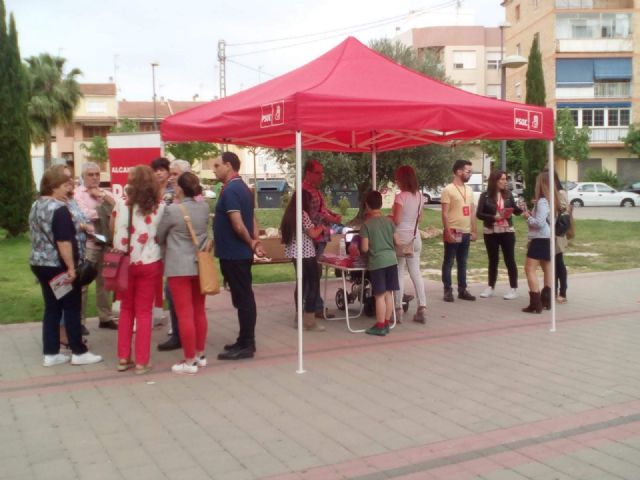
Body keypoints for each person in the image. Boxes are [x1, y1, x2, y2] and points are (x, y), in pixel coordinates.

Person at [29, 165, 103, 367]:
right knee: (71, 306)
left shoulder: (37, 205)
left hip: (39, 263)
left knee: (52, 307)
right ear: (53, 186)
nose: (68, 187)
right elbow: (63, 241)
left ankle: (51, 353)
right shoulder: (59, 209)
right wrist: (71, 268)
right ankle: (79, 351)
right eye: (64, 184)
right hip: (58, 265)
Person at [112, 165, 165, 373]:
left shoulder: (121, 204)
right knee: (144, 312)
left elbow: (113, 228)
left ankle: (123, 358)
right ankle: (142, 361)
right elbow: (160, 233)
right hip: (150, 261)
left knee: (126, 310)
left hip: (125, 261)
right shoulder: (159, 207)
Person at [213, 152, 265, 360]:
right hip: (236, 254)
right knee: (242, 298)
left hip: (235, 255)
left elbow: (237, 223)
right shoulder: (242, 187)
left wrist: (252, 242)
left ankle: (247, 344)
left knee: (243, 299)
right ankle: (243, 340)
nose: (214, 169)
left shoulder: (232, 190)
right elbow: (250, 217)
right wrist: (255, 241)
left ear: (228, 165)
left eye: (217, 166)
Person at [158, 172, 210, 374]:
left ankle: (189, 361)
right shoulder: (204, 206)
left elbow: (159, 235)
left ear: (179, 188)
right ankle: (200, 354)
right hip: (199, 265)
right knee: (199, 311)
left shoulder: (173, 210)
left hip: (178, 266)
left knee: (184, 314)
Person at [74, 161, 118, 332]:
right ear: (83, 176)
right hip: (89, 243)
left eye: (97, 174)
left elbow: (117, 208)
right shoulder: (77, 194)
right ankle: (79, 321)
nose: (94, 178)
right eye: (90, 175)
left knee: (105, 281)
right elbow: (85, 215)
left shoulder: (105, 193)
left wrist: (102, 197)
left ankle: (105, 317)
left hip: (106, 242)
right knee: (83, 282)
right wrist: (105, 212)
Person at [156, 158, 193, 352]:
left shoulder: (186, 203)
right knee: (175, 297)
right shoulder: (171, 198)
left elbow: (161, 232)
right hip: (183, 258)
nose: (170, 178)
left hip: (180, 259)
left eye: (175, 174)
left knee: (177, 297)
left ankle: (181, 337)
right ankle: (182, 333)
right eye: (170, 174)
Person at [280, 190, 325, 332]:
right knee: (313, 284)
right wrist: (322, 227)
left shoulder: (289, 215)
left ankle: (298, 317)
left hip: (295, 253)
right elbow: (312, 233)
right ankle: (309, 320)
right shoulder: (302, 214)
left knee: (301, 283)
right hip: (306, 253)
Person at [302, 159, 341, 319]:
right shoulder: (305, 191)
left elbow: (321, 209)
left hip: (319, 237)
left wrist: (331, 214)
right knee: (310, 275)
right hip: (312, 238)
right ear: (308, 173)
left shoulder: (314, 190)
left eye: (322, 172)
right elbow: (311, 214)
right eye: (318, 173)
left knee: (314, 274)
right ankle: (310, 309)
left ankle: (315, 307)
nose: (321, 176)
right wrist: (331, 220)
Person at [476, 170, 523, 300]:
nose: (504, 181)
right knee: (493, 260)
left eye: (505, 179)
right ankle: (491, 287)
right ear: (494, 181)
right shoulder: (484, 196)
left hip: (507, 231)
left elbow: (514, 209)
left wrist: (520, 209)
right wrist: (493, 217)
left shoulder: (508, 195)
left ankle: (513, 288)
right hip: (491, 231)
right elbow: (479, 214)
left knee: (510, 260)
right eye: (502, 179)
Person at [359, 191, 400, 336]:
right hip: (392, 260)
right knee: (389, 293)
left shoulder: (366, 225)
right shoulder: (389, 222)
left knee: (379, 295)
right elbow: (398, 241)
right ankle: (387, 323)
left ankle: (380, 324)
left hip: (377, 262)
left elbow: (364, 248)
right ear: (381, 204)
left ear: (367, 206)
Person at [391, 165, 427, 323]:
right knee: (416, 273)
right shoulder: (420, 196)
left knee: (399, 271)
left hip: (400, 239)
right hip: (414, 238)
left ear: (402, 179)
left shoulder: (400, 197)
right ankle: (422, 306)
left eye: (397, 178)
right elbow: (420, 218)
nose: (396, 181)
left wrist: (388, 217)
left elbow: (397, 220)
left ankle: (398, 308)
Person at [521, 172, 558, 313]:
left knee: (529, 269)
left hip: (540, 238)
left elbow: (539, 223)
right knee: (547, 268)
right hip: (548, 238)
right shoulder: (552, 200)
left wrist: (528, 217)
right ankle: (546, 300)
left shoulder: (543, 201)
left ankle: (536, 303)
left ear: (541, 184)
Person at [441, 159, 477, 302]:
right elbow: (444, 213)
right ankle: (447, 290)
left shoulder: (469, 190)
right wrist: (447, 231)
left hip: (466, 232)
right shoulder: (448, 189)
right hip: (453, 231)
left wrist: (474, 230)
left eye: (470, 171)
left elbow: (472, 211)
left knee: (463, 261)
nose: (470, 174)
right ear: (458, 171)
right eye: (468, 171)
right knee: (449, 261)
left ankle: (462, 289)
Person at [554, 172, 570, 304]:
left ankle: (563, 291)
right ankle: (553, 289)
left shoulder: (561, 193)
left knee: (559, 262)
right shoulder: (547, 192)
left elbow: (564, 210)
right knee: (551, 263)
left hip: (558, 233)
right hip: (549, 232)